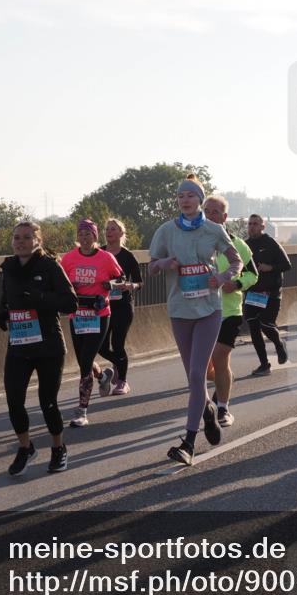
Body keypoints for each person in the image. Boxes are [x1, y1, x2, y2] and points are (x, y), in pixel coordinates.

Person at [149, 175, 243, 466]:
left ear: (200, 200)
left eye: (191, 195)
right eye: (181, 196)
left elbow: (237, 261)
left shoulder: (214, 230)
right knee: (192, 374)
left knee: (196, 374)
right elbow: (152, 266)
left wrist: (224, 276)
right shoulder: (166, 231)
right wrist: (165, 264)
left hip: (209, 309)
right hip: (179, 310)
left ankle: (188, 442)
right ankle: (208, 412)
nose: (185, 200)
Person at [0, 222, 78, 474]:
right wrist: (2, 314)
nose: (20, 241)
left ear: (38, 240)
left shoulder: (49, 266)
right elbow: (6, 297)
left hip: (48, 346)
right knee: (14, 401)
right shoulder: (9, 267)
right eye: (16, 237)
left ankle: (58, 448)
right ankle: (26, 448)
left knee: (48, 402)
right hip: (20, 345)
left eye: (26, 237)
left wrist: (41, 299)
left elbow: (70, 303)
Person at [60, 219, 123, 427]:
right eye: (81, 234)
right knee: (83, 362)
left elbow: (121, 279)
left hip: (99, 315)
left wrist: (109, 284)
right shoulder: (68, 259)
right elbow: (60, 283)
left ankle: (82, 411)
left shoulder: (106, 258)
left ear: (95, 237)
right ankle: (103, 374)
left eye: (89, 234)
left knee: (85, 363)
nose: (85, 238)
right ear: (77, 237)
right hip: (77, 316)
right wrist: (69, 288)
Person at [203, 195, 258, 427]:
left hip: (229, 310)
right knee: (205, 370)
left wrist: (235, 284)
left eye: (215, 212)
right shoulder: (197, 242)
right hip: (203, 310)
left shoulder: (238, 245)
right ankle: (226, 378)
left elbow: (253, 274)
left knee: (219, 356)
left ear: (225, 217)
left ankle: (223, 409)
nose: (211, 215)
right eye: (207, 211)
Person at [98, 218, 143, 396]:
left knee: (118, 344)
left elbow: (140, 282)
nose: (109, 232)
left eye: (114, 229)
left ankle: (122, 381)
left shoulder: (127, 255)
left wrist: (131, 286)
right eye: (107, 229)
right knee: (100, 346)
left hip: (122, 305)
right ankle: (118, 363)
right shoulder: (98, 252)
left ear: (121, 234)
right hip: (101, 305)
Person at [244, 214, 292, 376]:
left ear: (262, 226)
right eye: (250, 224)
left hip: (270, 293)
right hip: (252, 293)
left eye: (255, 224)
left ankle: (279, 345)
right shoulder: (245, 245)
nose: (252, 227)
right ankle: (264, 364)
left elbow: (287, 265)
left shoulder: (271, 243)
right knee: (253, 328)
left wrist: (269, 267)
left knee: (266, 324)